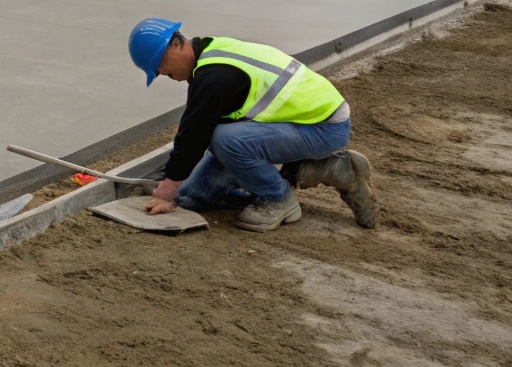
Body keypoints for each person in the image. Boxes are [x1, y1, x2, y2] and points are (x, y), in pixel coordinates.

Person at [127, 18, 377, 232]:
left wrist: (169, 187)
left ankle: (279, 199)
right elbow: (202, 128)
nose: (162, 75)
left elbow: (195, 134)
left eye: (159, 67)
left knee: (226, 141)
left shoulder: (212, 78)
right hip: (303, 122)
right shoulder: (212, 51)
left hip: (323, 127)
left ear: (174, 46)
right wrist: (175, 182)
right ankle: (319, 169)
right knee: (191, 196)